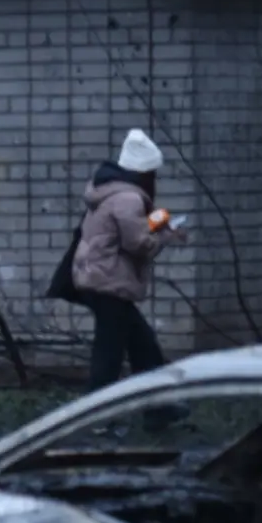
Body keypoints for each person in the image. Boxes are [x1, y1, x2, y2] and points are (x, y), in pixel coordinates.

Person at [69, 128, 184, 391]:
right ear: (143, 174)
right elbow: (138, 244)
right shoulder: (128, 199)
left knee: (142, 346)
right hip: (110, 282)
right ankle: (98, 417)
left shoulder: (107, 191)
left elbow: (124, 233)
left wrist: (157, 227)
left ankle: (159, 410)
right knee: (110, 355)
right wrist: (166, 238)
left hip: (98, 279)